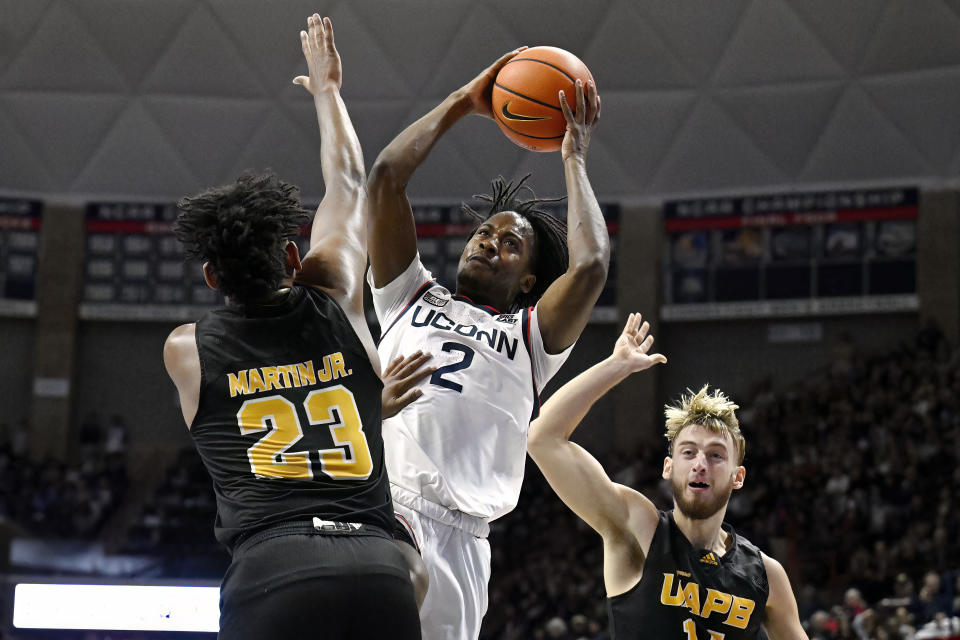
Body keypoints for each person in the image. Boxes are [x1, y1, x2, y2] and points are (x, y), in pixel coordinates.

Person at [162, 15, 421, 639]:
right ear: (292, 258)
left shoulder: (186, 350)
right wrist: (329, 93)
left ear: (210, 278)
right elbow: (349, 184)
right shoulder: (333, 291)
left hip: (273, 568)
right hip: (382, 567)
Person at [366, 48, 607, 640]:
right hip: (391, 505)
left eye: (508, 244)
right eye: (484, 232)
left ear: (527, 281)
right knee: (382, 596)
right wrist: (461, 103)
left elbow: (593, 264)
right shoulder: (409, 297)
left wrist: (573, 159)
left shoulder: (530, 339)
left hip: (468, 541)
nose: (488, 242)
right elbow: (385, 180)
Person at [528, 313, 808, 639]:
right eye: (688, 452)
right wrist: (616, 365)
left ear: (738, 476)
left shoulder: (766, 575)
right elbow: (542, 438)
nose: (700, 464)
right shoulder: (639, 528)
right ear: (668, 467)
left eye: (716, 455)